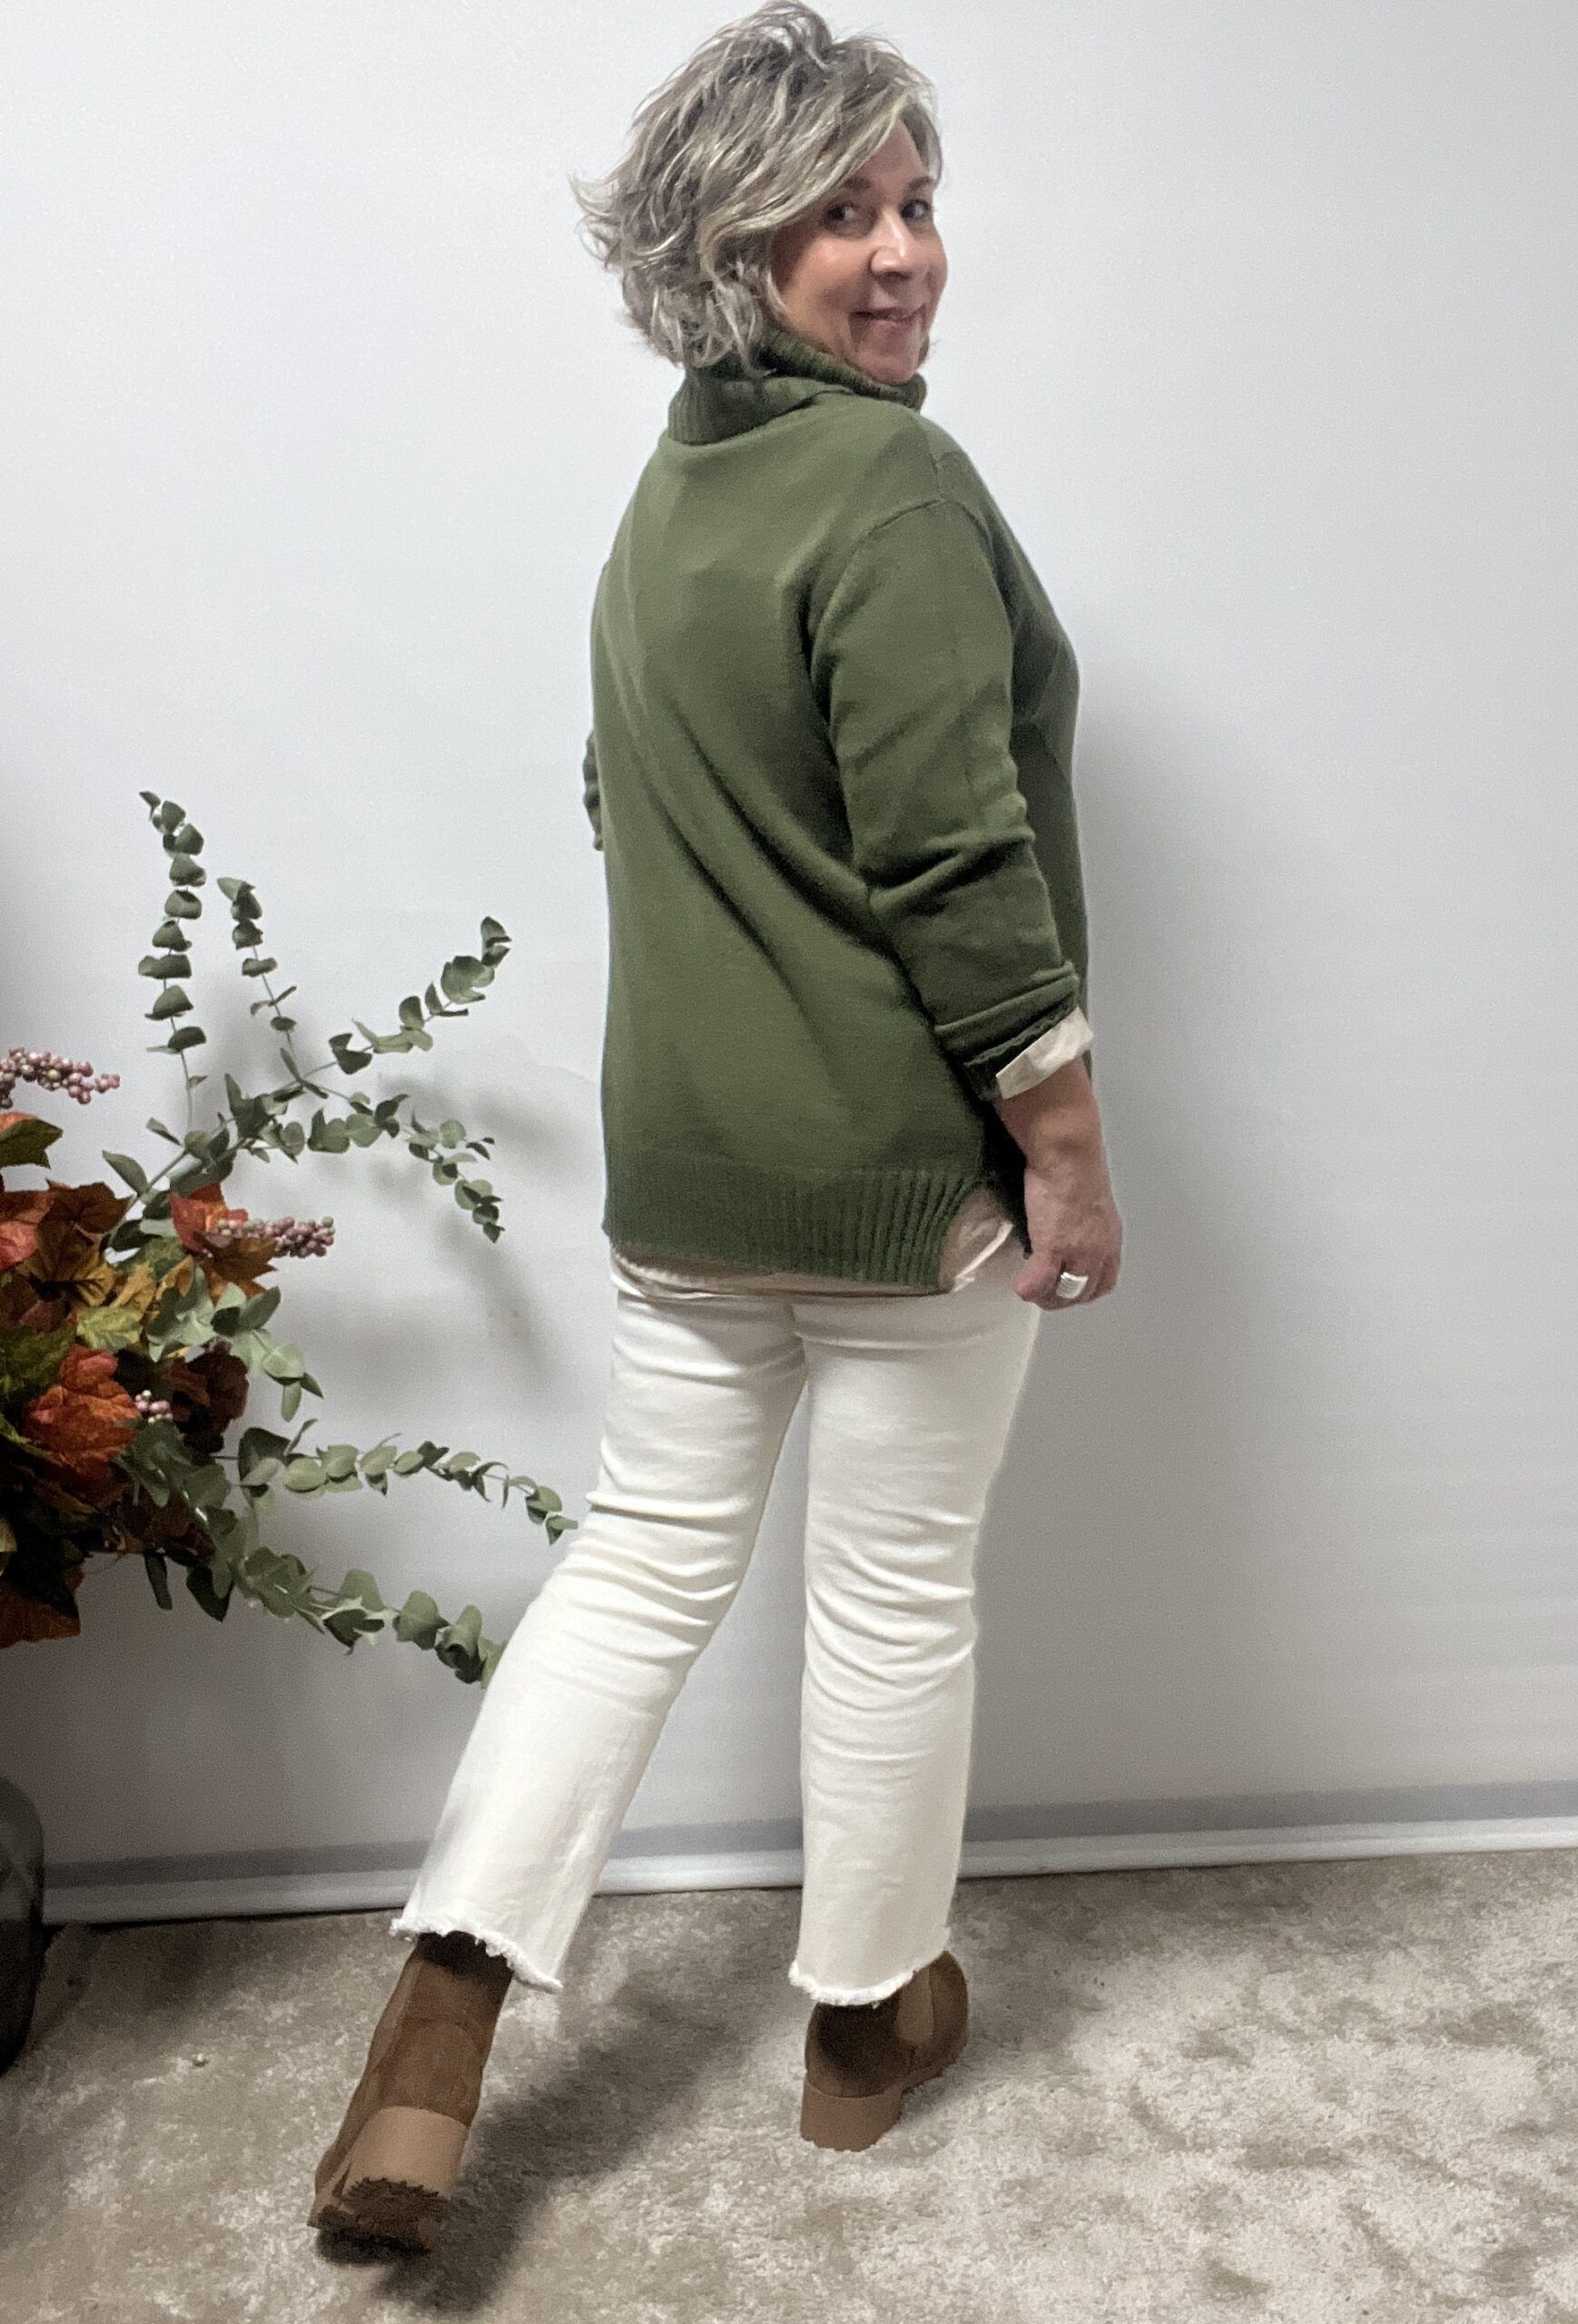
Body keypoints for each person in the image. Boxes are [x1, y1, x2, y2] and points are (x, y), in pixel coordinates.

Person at [311, 1, 1123, 2251]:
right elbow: (955, 859)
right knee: (892, 1593)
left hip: (688, 1175)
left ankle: (429, 2047)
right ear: (727, 246)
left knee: (634, 1568)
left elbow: (637, 809)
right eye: (839, 213)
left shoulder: (670, 493)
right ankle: (867, 2026)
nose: (904, 252)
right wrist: (1062, 1141)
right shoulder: (896, 488)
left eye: (918, 199)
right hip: (908, 1178)